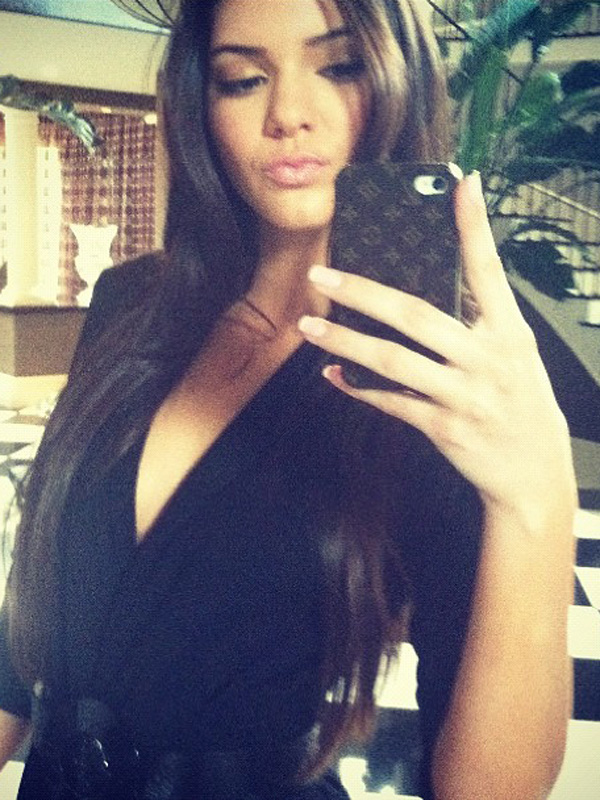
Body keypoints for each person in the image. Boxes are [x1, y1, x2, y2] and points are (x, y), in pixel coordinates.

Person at [0, 1, 576, 798]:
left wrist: (539, 497)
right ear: (201, 102)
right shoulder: (132, 302)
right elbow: (32, 614)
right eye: (243, 79)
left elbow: (488, 789)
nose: (288, 115)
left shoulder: (434, 378)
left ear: (399, 82)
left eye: (338, 67)